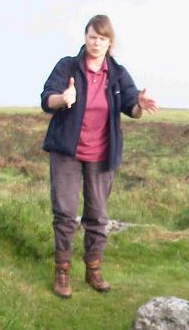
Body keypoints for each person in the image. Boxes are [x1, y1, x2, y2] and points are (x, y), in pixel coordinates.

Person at [40, 15, 157, 299]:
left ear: (109, 43)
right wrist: (63, 98)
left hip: (102, 154)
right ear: (85, 37)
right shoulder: (67, 65)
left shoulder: (117, 73)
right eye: (92, 37)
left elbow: (132, 107)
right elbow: (46, 99)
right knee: (65, 214)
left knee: (98, 216)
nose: (96, 43)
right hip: (67, 151)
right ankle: (63, 271)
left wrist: (139, 106)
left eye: (102, 39)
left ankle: (93, 269)